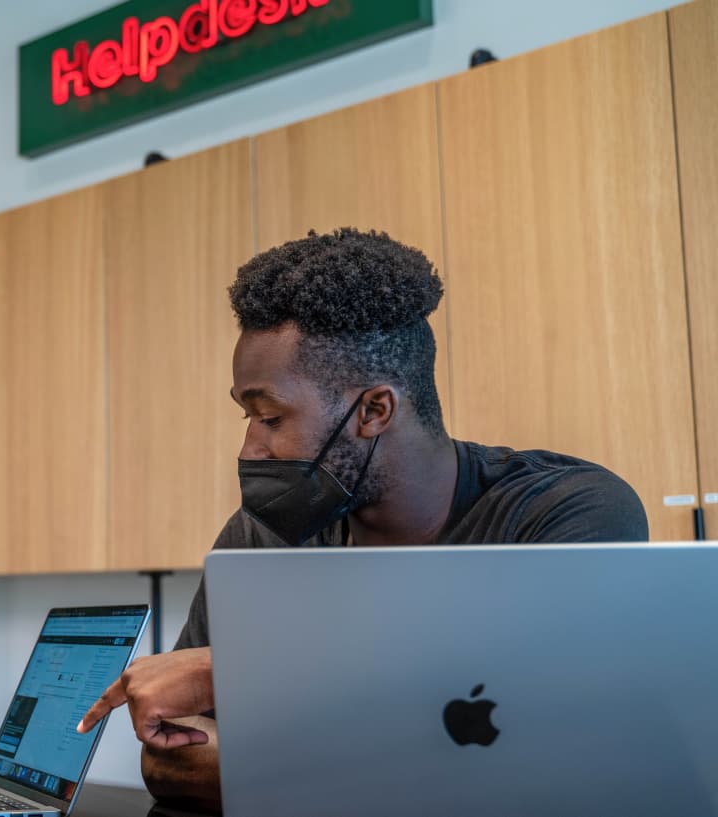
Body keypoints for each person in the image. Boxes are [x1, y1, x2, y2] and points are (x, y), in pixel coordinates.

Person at [78, 228, 648, 811]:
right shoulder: (261, 538)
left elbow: (550, 759)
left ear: (375, 410)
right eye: (247, 416)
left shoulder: (564, 513)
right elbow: (170, 754)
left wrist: (244, 681)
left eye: (271, 417)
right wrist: (399, 758)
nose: (251, 449)